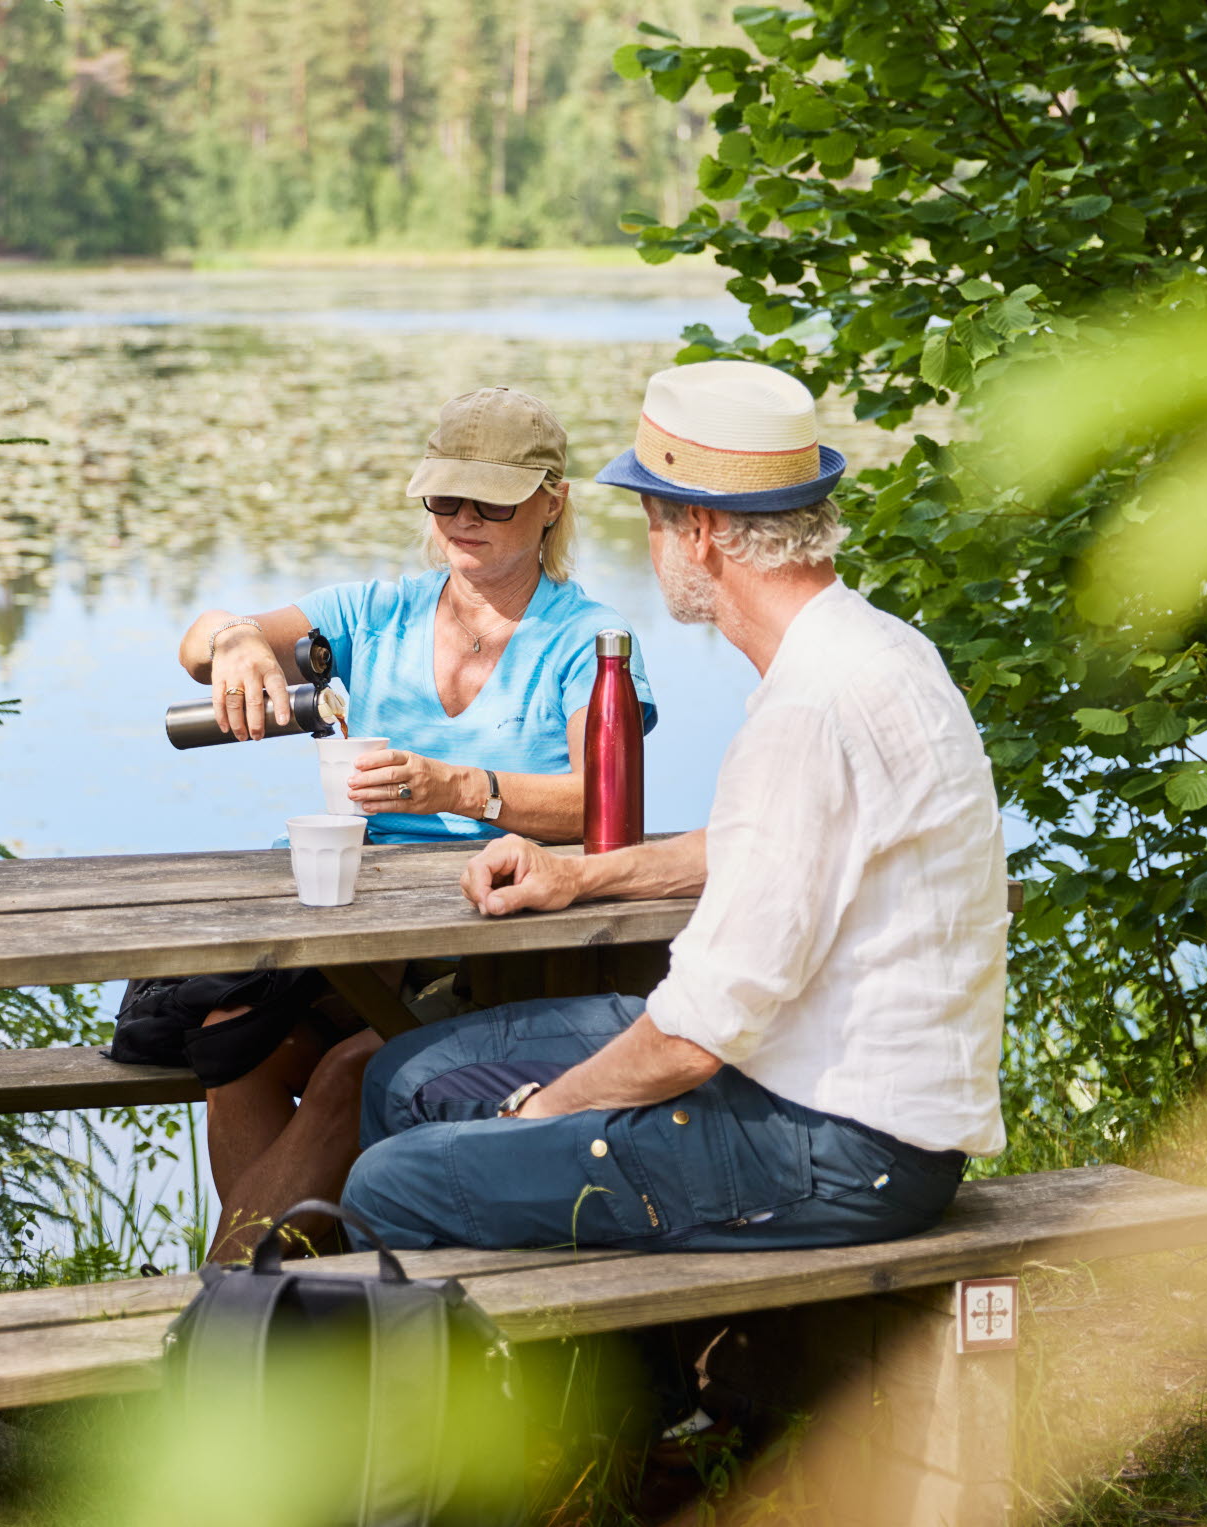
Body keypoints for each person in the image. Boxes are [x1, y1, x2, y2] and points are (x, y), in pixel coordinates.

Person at [340, 359, 1008, 1253]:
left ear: (697, 530)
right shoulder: (874, 649)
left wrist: (544, 1110)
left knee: (393, 1184)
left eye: (651, 522)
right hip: (796, 1077)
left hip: (835, 1139)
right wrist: (580, 875)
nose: (647, 550)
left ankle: (577, 1387)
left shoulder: (811, 708)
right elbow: (759, 847)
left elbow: (695, 1036)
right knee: (406, 1073)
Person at [138, 386, 656, 1261]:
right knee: (234, 1041)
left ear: (552, 498)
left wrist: (460, 788)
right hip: (360, 925)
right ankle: (314, 1295)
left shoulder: (590, 640)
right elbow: (198, 640)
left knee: (352, 1070)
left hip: (505, 935)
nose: (463, 518)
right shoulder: (374, 613)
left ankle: (229, 1306)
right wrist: (232, 642)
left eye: (490, 499)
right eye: (443, 497)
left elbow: (607, 805)